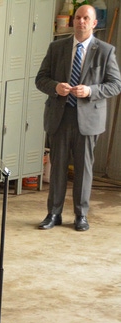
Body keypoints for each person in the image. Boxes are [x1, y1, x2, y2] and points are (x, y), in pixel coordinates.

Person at [35, 4, 121, 232]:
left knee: (84, 170)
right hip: (60, 117)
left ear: (94, 23)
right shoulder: (57, 48)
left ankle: (81, 216)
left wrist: (91, 91)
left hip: (88, 119)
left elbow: (115, 84)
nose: (81, 21)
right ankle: (53, 213)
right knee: (58, 169)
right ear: (73, 21)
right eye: (78, 18)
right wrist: (56, 87)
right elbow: (40, 79)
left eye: (86, 18)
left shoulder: (105, 51)